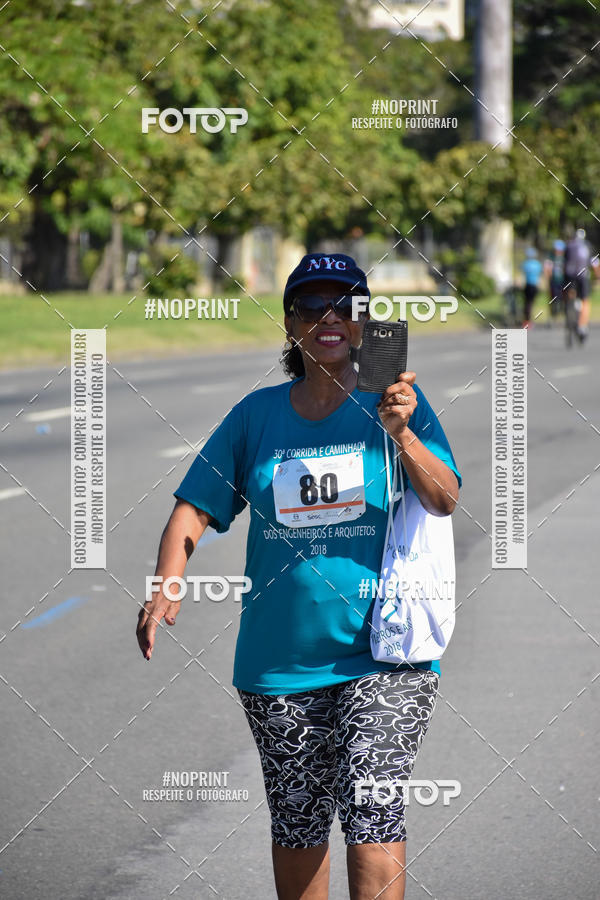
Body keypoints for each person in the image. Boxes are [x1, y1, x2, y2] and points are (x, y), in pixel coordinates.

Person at [137, 252, 461, 900]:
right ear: (291, 325)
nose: (330, 318)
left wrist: (402, 435)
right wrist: (167, 583)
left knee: (373, 810)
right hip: (279, 664)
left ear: (366, 323)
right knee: (299, 822)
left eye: (346, 305)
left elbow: (444, 496)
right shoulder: (256, 417)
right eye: (312, 306)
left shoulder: (398, 405)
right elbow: (194, 509)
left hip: (383, 655)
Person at [564, 228, 598, 342]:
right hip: (583, 276)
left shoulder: (569, 246)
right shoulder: (587, 246)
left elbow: (564, 263)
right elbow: (595, 263)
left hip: (570, 276)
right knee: (585, 301)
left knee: (570, 295)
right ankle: (582, 325)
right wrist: (597, 276)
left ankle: (570, 308)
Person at [544, 239, 566, 323]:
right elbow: (547, 269)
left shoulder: (565, 258)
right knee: (553, 299)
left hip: (563, 282)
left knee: (563, 298)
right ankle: (553, 315)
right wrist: (548, 280)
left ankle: (563, 312)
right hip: (554, 282)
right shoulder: (551, 257)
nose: (558, 251)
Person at [521, 247, 543, 328]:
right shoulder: (537, 264)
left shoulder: (526, 264)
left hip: (528, 285)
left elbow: (523, 274)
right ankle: (528, 320)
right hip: (534, 286)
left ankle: (527, 320)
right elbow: (540, 275)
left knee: (527, 303)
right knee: (531, 303)